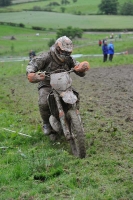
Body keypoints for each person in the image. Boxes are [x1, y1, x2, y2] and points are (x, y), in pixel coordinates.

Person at [26, 36, 90, 136]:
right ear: (57, 48)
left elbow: (77, 66)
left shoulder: (69, 59)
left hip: (63, 84)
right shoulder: (46, 56)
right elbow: (32, 64)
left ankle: (74, 118)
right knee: (43, 102)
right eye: (64, 52)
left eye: (68, 53)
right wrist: (32, 73)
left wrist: (81, 68)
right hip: (47, 84)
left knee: (76, 95)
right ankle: (46, 123)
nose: (66, 55)